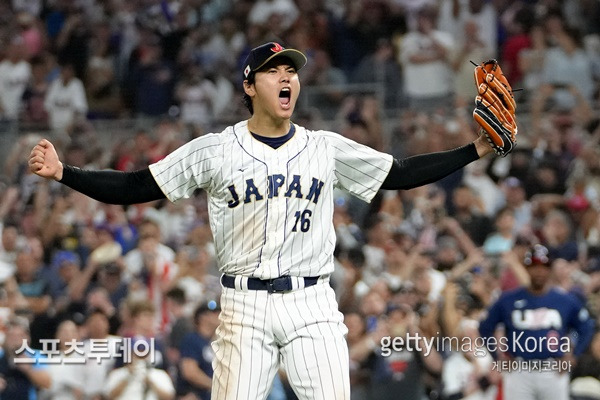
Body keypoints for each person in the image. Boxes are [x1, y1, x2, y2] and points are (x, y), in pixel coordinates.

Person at [29, 41, 496, 400]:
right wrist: (65, 173)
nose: (286, 76)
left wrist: (476, 149)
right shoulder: (215, 150)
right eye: (274, 70)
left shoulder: (324, 148)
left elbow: (400, 173)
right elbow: (135, 187)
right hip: (243, 307)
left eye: (291, 70)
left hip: (312, 302)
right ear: (250, 86)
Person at [479, 244, 595, 400]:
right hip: (519, 369)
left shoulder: (564, 300)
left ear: (549, 269)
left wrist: (574, 354)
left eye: (544, 266)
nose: (539, 271)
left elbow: (586, 326)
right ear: (527, 268)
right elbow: (485, 327)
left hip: (552, 368)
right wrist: (497, 356)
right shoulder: (508, 299)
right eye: (534, 266)